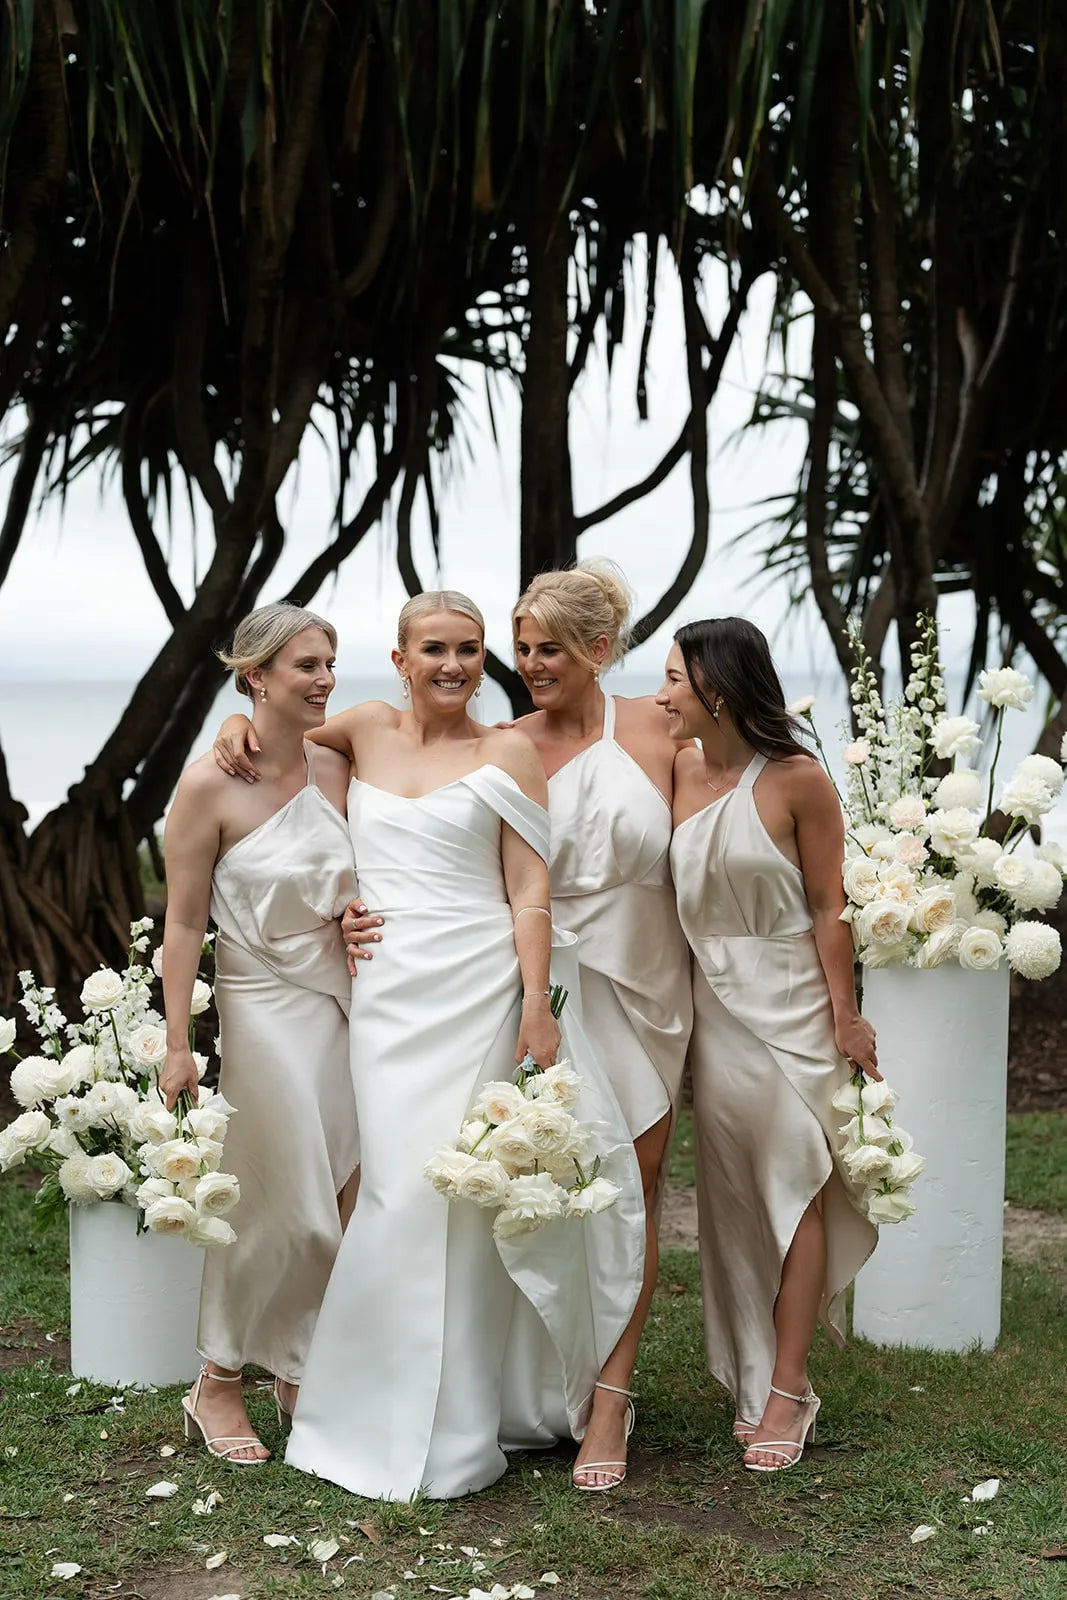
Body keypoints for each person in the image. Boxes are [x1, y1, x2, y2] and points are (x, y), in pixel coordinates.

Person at [216, 590, 644, 1500]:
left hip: (481, 987)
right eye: (435, 649)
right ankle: (362, 1410)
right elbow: (283, 741)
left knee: (460, 1200)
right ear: (401, 658)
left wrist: (538, 1005)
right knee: (393, 1190)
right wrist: (232, 722)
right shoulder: (364, 728)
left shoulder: (506, 751)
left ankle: (457, 1420)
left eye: (470, 649)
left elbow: (530, 889)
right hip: (386, 991)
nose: (453, 665)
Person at [658, 617, 879, 1474]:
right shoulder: (676, 767)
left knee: (797, 1183)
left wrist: (846, 1015)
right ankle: (752, 1372)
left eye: (674, 679)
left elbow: (828, 906)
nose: (661, 694)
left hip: (791, 1005)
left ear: (715, 689)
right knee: (736, 1199)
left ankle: (788, 1387)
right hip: (714, 1013)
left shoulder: (798, 779)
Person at [499, 562, 693, 1491]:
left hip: (648, 986)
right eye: (523, 648)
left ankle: (611, 1398)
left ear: (599, 649)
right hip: (541, 988)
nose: (532, 664)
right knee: (541, 1178)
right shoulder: (504, 744)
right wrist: (240, 722)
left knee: (632, 1192)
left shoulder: (659, 725)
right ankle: (534, 1380)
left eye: (550, 649)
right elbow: (377, 760)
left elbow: (761, 767)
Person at [160, 604, 358, 1464]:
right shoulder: (207, 784)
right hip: (261, 1002)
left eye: (330, 663)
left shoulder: (339, 764)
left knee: (344, 1189)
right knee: (283, 1199)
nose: (324, 680)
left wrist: (352, 917)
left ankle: (299, 1368)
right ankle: (217, 1379)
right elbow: (182, 924)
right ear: (256, 677)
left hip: (343, 1000)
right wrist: (178, 1043)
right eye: (306, 666)